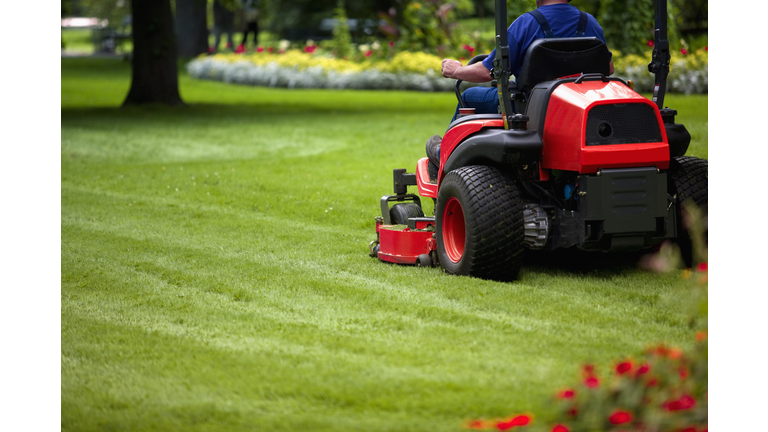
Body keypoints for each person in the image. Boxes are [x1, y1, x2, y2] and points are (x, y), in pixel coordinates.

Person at [426, 0, 614, 179]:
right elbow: (609, 67)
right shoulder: (590, 22)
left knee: (468, 96)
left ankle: (443, 154)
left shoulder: (526, 23)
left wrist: (456, 70)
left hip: (528, 109)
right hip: (578, 108)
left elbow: (487, 71)